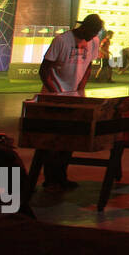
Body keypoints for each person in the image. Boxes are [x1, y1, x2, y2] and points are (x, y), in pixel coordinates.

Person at [38, 13, 104, 191]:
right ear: (83, 27)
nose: (91, 38)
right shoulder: (62, 40)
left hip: (74, 97)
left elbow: (89, 65)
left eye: (95, 34)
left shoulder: (94, 41)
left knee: (70, 141)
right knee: (52, 141)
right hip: (55, 97)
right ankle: (50, 179)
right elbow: (44, 69)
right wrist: (55, 93)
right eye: (90, 33)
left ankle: (62, 177)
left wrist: (81, 88)